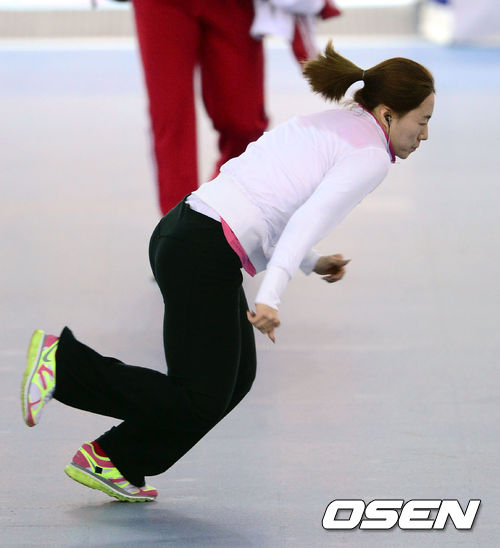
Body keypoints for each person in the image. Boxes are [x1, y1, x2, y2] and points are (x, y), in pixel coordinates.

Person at [21, 43, 435, 502]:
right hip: (203, 251)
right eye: (422, 121)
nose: (425, 134)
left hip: (186, 232)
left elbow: (273, 204)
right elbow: (303, 220)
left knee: (235, 377)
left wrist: (313, 262)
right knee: (199, 396)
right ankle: (64, 366)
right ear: (387, 114)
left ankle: (117, 459)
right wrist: (270, 297)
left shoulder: (340, 123)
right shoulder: (370, 155)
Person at [131, 0, 341, 215]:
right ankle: (178, 224)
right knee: (171, 119)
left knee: (245, 124)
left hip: (235, 6)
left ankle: (212, 209)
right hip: (162, 5)